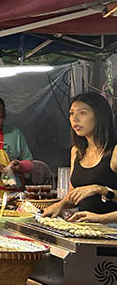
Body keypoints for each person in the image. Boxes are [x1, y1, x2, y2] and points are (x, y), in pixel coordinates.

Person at [45, 92, 117, 220]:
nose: (75, 119)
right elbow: (74, 196)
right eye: (72, 113)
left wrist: (100, 190)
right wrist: (60, 205)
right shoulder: (77, 151)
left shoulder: (114, 151)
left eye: (82, 113)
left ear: (99, 116)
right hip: (86, 229)